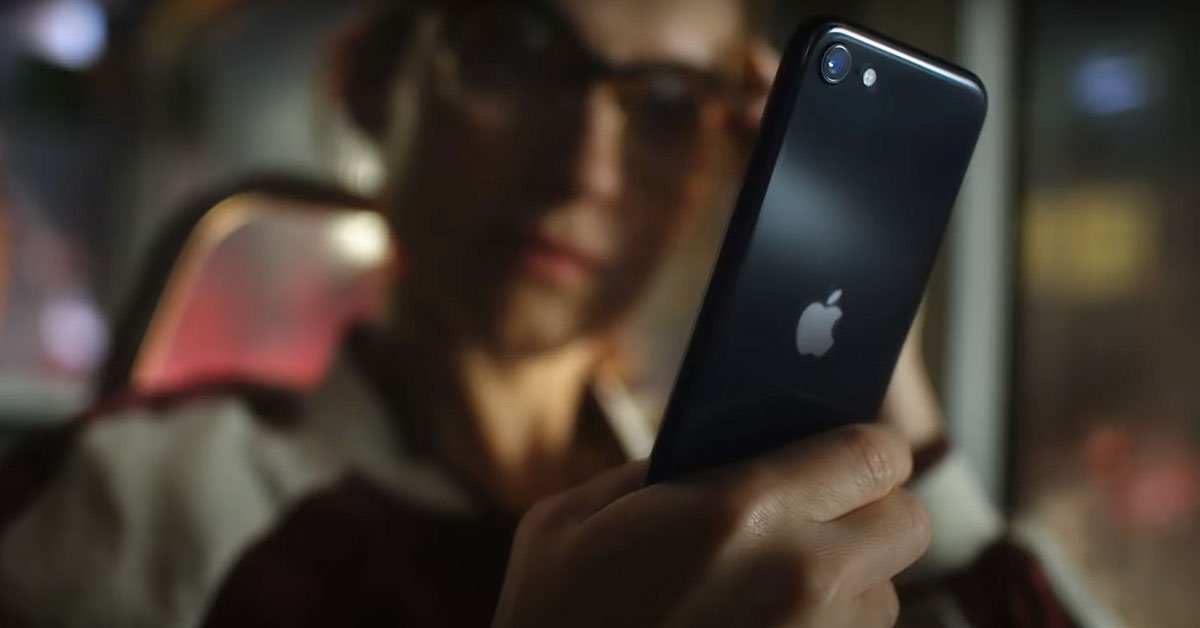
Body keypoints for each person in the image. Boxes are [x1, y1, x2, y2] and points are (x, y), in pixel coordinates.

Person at [0, 1, 1081, 626]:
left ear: (721, 157)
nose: (584, 170)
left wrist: (890, 387)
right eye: (512, 54)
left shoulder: (753, 503)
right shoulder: (134, 495)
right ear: (373, 85)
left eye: (666, 106)